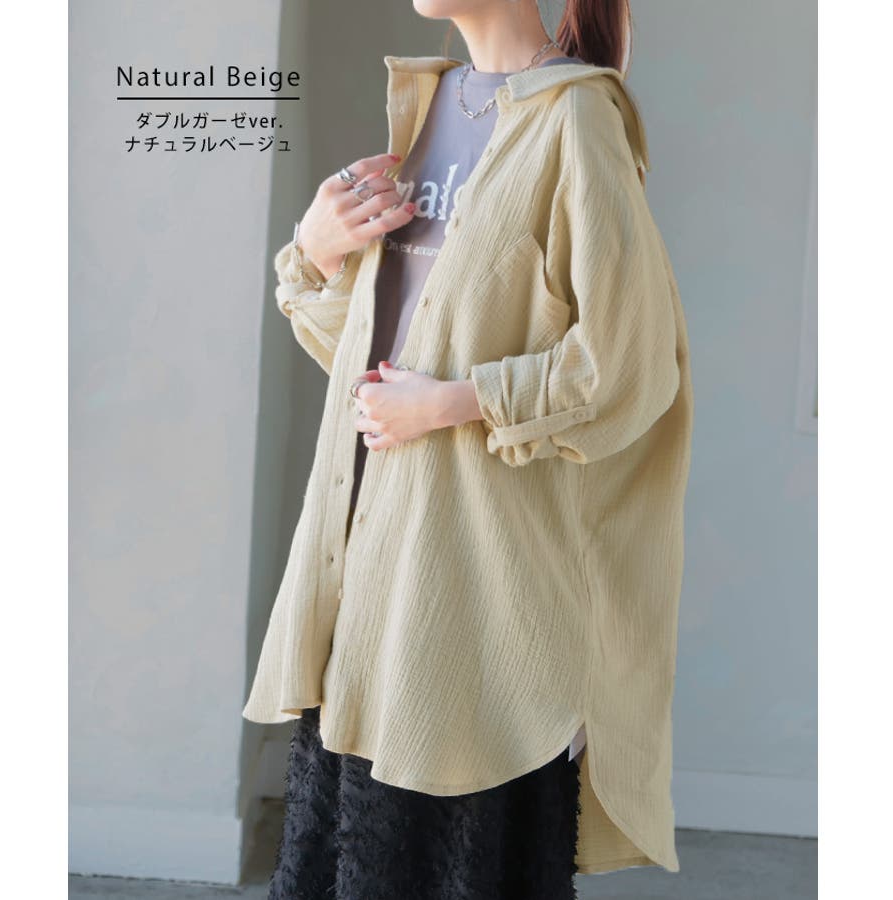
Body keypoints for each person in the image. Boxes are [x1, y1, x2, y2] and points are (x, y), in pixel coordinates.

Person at [243, 1, 694, 897]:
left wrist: (453, 404)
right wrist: (315, 253)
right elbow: (373, 359)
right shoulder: (433, 103)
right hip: (364, 573)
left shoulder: (575, 118)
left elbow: (628, 364)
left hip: (469, 597)